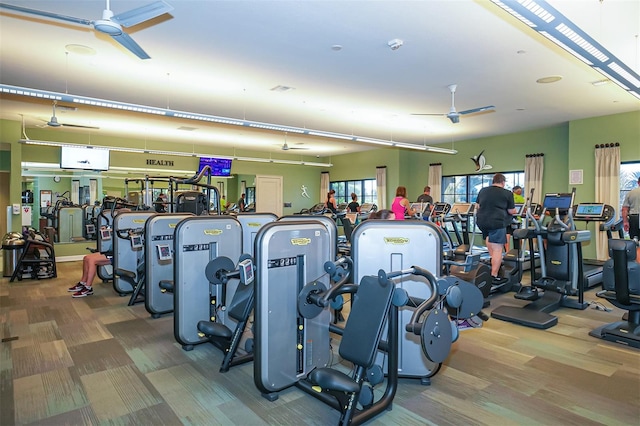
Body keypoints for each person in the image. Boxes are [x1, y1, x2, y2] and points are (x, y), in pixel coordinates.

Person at [476, 173, 517, 285]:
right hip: (497, 222)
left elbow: (478, 206)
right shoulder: (507, 193)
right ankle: (493, 275)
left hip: (482, 221)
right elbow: (511, 211)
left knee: (489, 240)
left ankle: (493, 261)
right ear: (503, 182)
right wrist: (516, 211)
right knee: (498, 248)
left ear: (493, 181)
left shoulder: (483, 190)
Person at [505, 185, 525, 251]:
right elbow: (524, 209)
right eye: (520, 191)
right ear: (516, 191)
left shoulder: (507, 197)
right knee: (518, 236)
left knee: (507, 235)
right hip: (517, 219)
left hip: (507, 219)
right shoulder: (520, 198)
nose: (520, 192)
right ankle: (519, 251)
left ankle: (507, 252)